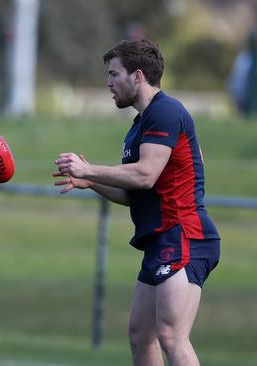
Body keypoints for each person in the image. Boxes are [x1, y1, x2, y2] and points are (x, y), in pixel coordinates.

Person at [54, 39, 220, 366]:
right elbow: (136, 193)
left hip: (184, 234)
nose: (108, 83)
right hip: (160, 238)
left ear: (138, 76)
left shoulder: (166, 111)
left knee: (171, 335)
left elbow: (145, 175)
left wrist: (88, 167)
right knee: (140, 334)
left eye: (115, 74)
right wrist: (92, 182)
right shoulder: (138, 126)